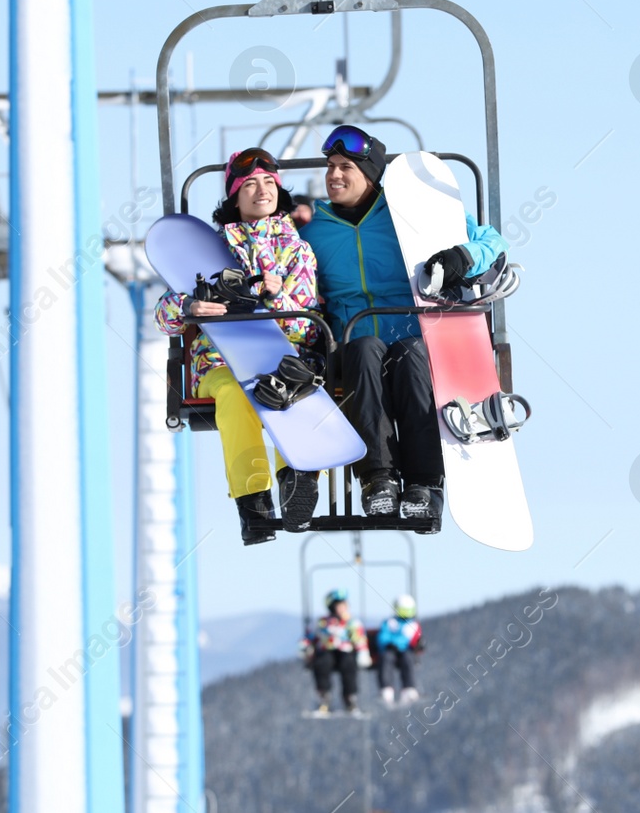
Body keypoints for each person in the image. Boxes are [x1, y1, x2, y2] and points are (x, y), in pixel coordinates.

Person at [300, 125, 509, 528]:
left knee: (412, 356)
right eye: (330, 166)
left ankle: (424, 482)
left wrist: (462, 258)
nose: (334, 175)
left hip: (414, 337)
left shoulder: (407, 215)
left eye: (345, 166)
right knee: (363, 349)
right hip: (351, 343)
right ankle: (377, 478)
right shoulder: (313, 233)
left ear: (371, 174)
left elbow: (493, 243)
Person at [154, 148, 322, 546]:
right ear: (234, 196)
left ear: (279, 191)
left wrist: (274, 298)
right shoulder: (206, 251)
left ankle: (296, 481)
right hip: (221, 360)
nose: (261, 189)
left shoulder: (297, 250)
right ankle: (255, 505)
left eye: (268, 182)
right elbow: (163, 317)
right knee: (236, 393)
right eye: (249, 184)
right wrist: (190, 306)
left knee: (287, 389)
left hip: (283, 357)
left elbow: (304, 321)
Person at [301, 589, 369, 714]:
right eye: (340, 605)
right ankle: (324, 697)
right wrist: (305, 647)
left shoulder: (352, 622)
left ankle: (350, 699)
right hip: (327, 652)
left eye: (344, 605)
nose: (343, 608)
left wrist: (362, 652)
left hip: (345, 652)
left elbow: (359, 638)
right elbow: (310, 636)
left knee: (348, 664)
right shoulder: (322, 622)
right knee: (322, 663)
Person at [375, 593, 424, 706]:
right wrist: (388, 644)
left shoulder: (413, 625)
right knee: (386, 658)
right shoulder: (390, 623)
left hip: (405, 652)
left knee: (408, 659)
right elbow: (382, 636)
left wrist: (419, 645)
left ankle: (409, 689)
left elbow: (415, 639)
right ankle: (386, 690)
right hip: (390, 650)